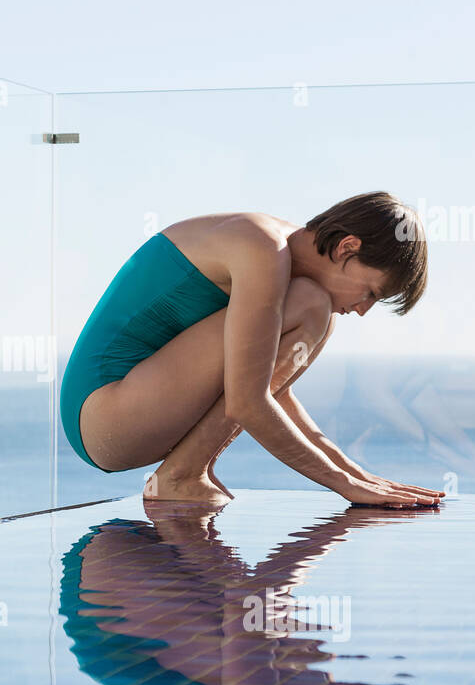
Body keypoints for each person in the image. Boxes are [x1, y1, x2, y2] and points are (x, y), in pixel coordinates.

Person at [58, 191, 443, 508]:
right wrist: (344, 485)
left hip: (127, 415)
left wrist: (358, 474)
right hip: (103, 414)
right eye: (371, 292)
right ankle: (181, 475)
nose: (363, 309)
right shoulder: (261, 246)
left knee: (316, 311)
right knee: (312, 305)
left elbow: (273, 388)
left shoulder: (287, 270)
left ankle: (184, 472)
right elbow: (247, 401)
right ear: (347, 247)